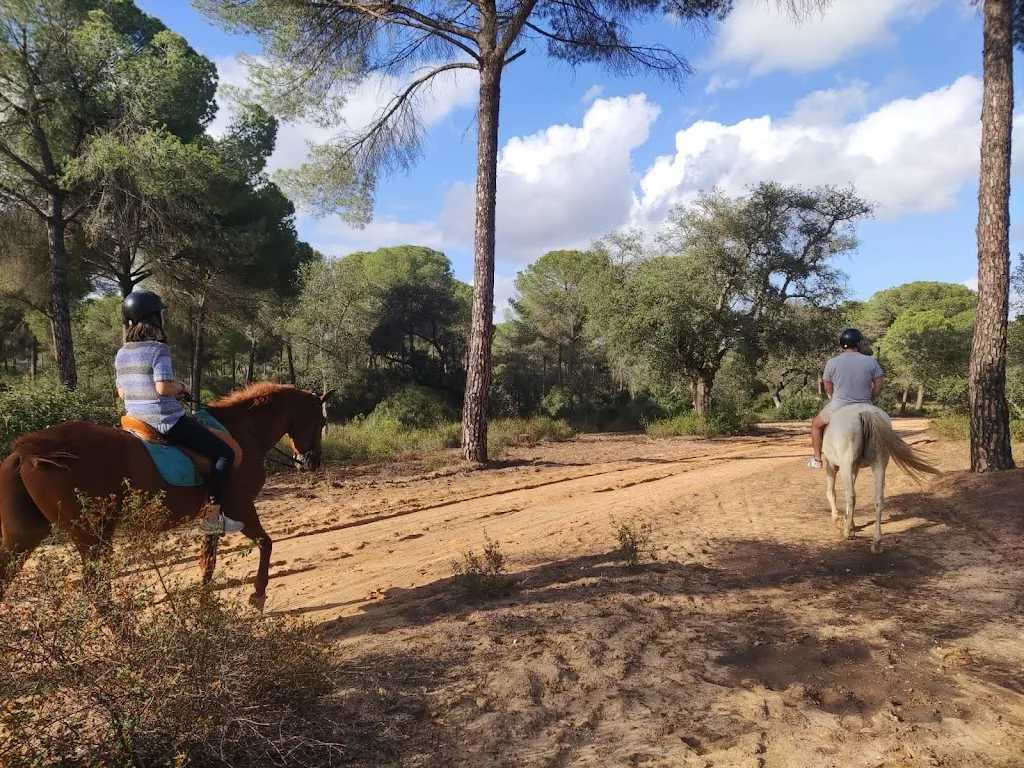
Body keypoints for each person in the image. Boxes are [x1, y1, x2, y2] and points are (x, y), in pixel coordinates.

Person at [115, 290, 244, 535]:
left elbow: (122, 393)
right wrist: (182, 387)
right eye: (161, 314)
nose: (163, 318)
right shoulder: (158, 349)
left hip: (134, 420)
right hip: (164, 420)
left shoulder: (122, 353)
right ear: (155, 318)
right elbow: (162, 388)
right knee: (224, 454)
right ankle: (213, 518)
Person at [808, 328, 885, 469]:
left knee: (816, 425)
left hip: (839, 405)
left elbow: (827, 386)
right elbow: (879, 385)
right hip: (865, 404)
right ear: (858, 343)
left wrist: (834, 397)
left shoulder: (832, 362)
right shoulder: (871, 361)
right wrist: (870, 399)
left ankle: (817, 459)